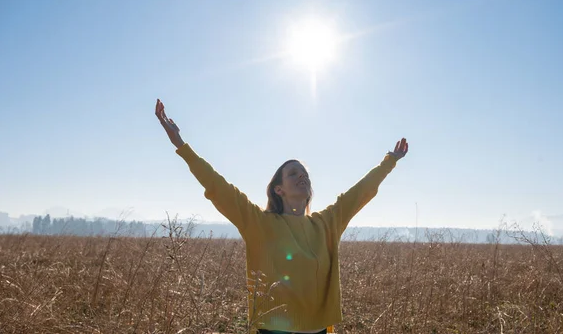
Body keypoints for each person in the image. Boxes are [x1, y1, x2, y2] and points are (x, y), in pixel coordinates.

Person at [155, 98, 409, 334]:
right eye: (293, 173)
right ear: (279, 189)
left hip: (318, 330)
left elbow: (360, 192)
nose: (302, 176)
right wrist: (180, 144)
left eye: (305, 174)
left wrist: (390, 161)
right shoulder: (260, 224)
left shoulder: (326, 223)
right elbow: (218, 187)